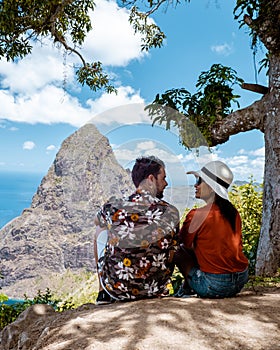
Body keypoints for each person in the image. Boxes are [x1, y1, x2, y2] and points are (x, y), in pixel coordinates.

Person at [94, 156, 180, 304]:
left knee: (99, 230)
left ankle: (103, 292)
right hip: (156, 289)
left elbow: (97, 221)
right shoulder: (171, 211)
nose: (166, 183)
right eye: (163, 178)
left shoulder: (113, 207)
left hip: (118, 289)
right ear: (151, 179)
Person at [174, 160, 248, 298]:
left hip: (215, 286)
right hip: (240, 279)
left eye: (199, 180)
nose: (195, 185)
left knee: (178, 252)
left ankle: (185, 289)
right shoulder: (233, 213)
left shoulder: (197, 215)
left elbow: (182, 242)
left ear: (212, 187)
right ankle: (186, 287)